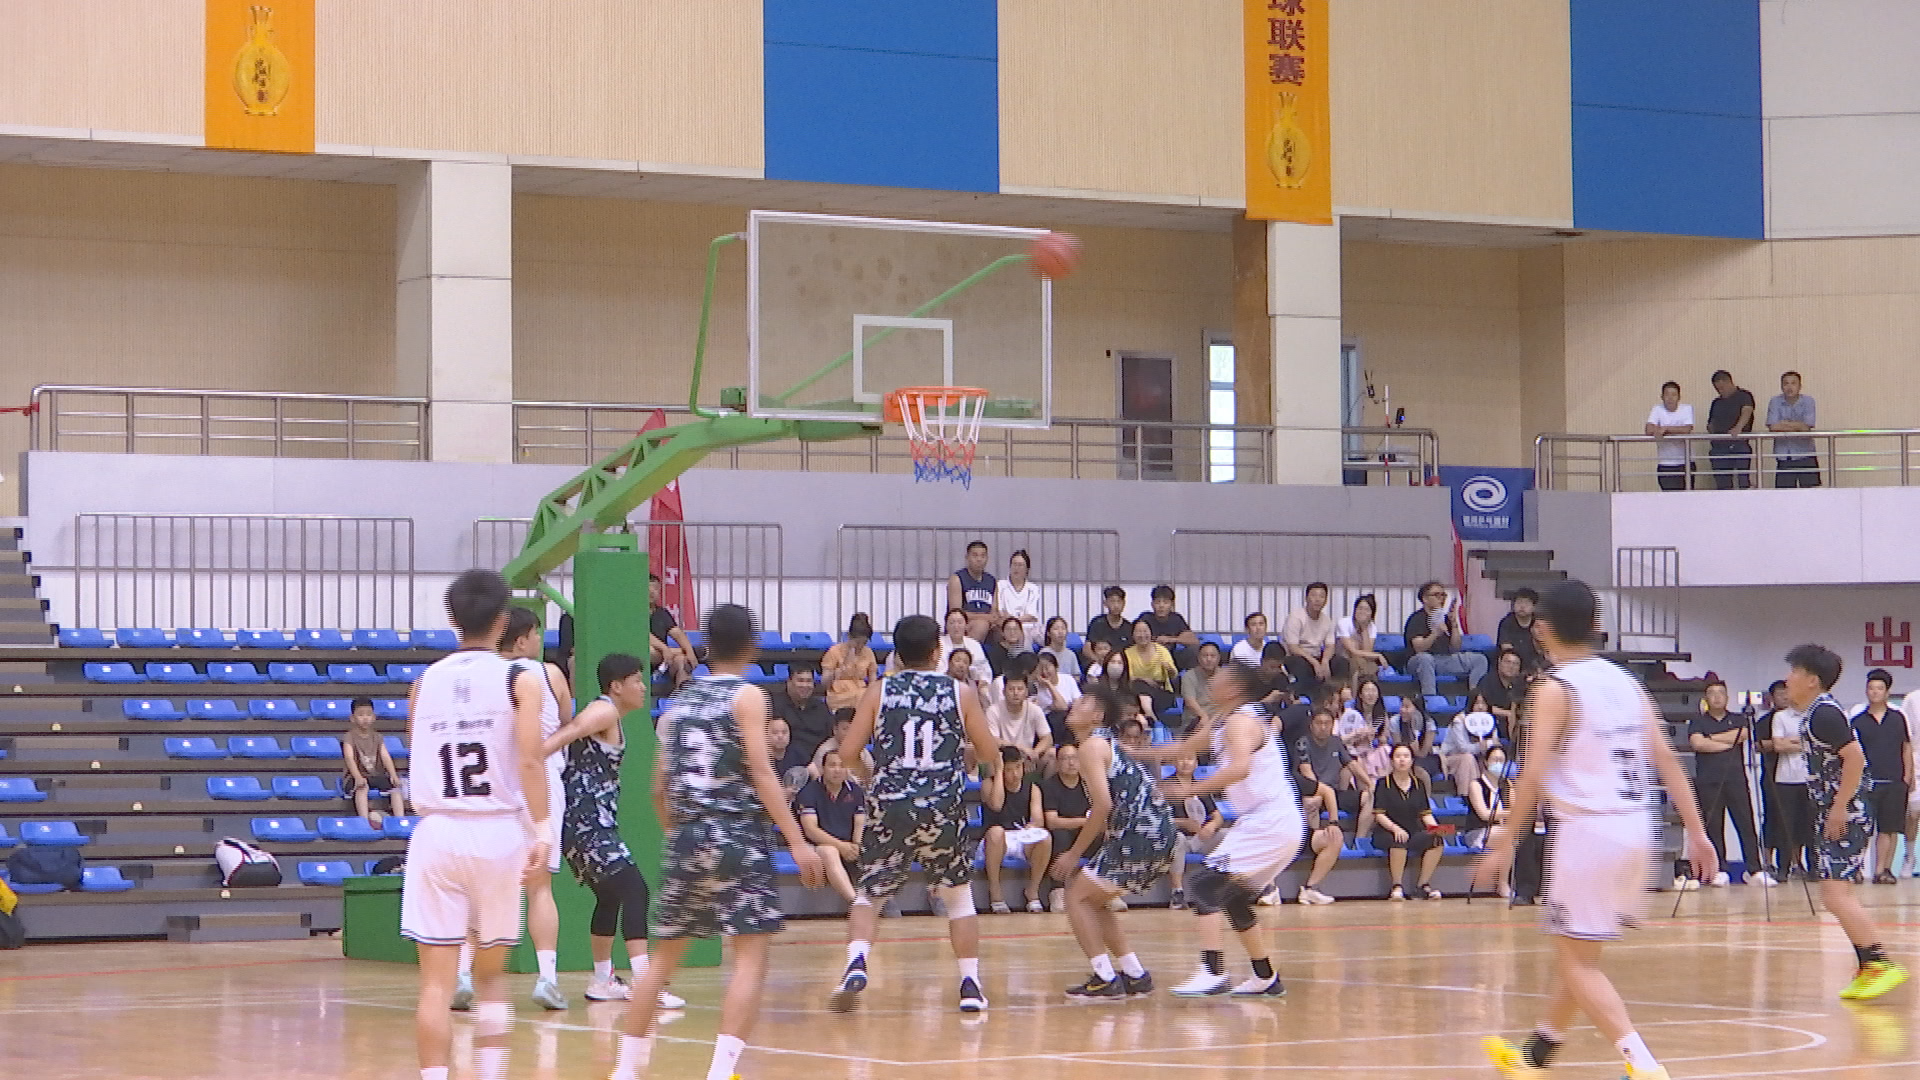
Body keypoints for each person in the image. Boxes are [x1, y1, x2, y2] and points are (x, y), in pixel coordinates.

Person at [1477, 579, 1716, 1080]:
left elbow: (1531, 776)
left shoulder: (1554, 688)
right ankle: (1536, 1054)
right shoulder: (1626, 681)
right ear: (1595, 625)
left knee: (1577, 961)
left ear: (1541, 629)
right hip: (1640, 828)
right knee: (1580, 951)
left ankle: (1643, 1065)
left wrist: (1505, 844)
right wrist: (1697, 833)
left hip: (1590, 832)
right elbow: (1668, 761)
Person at [612, 604, 824, 1080]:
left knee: (662, 960)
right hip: (738, 834)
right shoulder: (748, 696)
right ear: (751, 646)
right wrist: (796, 842)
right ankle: (721, 1072)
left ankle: (624, 1070)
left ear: (706, 646)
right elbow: (762, 773)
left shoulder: (681, 702)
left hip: (687, 833)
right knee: (749, 956)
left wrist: (678, 835)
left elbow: (658, 786)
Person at [401, 570, 550, 1080]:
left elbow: (416, 748)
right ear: (504, 620)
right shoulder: (520, 679)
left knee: (435, 986)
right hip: (497, 831)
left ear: (452, 619)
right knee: (491, 981)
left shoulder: (422, 684)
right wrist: (543, 829)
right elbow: (530, 760)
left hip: (437, 830)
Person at [829, 613, 1002, 1015]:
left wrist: (873, 778)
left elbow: (848, 752)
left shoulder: (879, 690)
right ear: (938, 651)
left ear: (897, 655)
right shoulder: (960, 692)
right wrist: (968, 758)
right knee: (958, 898)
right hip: (942, 805)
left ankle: (857, 961)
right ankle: (970, 984)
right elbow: (990, 752)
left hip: (890, 802)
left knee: (870, 893)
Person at [1144, 661, 1303, 997]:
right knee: (1232, 897)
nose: (1212, 679)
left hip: (1271, 820)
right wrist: (1135, 752)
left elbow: (1240, 769)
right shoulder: (1222, 721)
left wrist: (1190, 790)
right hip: (1267, 821)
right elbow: (1184, 748)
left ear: (1233, 689)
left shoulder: (1240, 722)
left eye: (1219, 677)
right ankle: (1265, 977)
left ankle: (1213, 971)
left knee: (1205, 884)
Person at [541, 652, 683, 1009]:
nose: (643, 687)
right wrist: (535, 754)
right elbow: (573, 729)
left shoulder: (610, 714)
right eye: (637, 680)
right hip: (588, 824)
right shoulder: (604, 710)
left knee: (610, 896)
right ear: (617, 686)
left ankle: (602, 980)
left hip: (584, 824)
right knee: (635, 889)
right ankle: (645, 983)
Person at [1777, 643, 1909, 1000]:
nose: (1787, 679)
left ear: (1812, 679)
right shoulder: (1816, 713)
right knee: (1837, 893)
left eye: (1794, 672)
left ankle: (1878, 963)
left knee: (1835, 894)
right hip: (1836, 808)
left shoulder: (1824, 714)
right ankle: (1868, 965)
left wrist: (1839, 807)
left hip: (1846, 810)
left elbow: (1856, 759)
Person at [1051, 689, 1176, 999]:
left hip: (1140, 831)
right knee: (1094, 899)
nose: (1073, 703)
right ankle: (1135, 974)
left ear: (1096, 716)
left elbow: (1103, 805)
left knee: (1076, 896)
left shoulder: (1091, 747)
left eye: (1083, 702)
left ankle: (1105, 977)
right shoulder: (1106, 743)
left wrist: (1074, 854)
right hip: (1156, 830)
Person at [492, 608, 575, 1011]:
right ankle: (547, 978)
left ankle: (464, 975)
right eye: (537, 634)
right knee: (540, 887)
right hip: (541, 781)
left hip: (495, 785)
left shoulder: (485, 677)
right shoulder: (549, 674)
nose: (541, 641)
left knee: (486, 884)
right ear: (522, 639)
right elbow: (566, 720)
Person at [1689, 678, 1770, 887]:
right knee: (1714, 826)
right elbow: (1698, 744)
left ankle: (1754, 869)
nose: (1717, 697)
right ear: (1706, 698)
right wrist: (1727, 742)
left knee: (1746, 824)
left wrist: (1711, 739)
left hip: (1736, 779)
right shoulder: (1698, 721)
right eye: (1712, 693)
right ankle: (1719, 869)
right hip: (1708, 781)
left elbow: (1743, 735)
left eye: (1721, 693)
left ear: (1727, 697)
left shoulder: (1739, 718)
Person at [1851, 668, 1913, 884]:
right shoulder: (1857, 721)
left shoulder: (1898, 718)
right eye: (1871, 688)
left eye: (1879, 688)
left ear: (1887, 692)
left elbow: (1906, 747)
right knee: (1861, 828)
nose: (1875, 692)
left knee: (1889, 828)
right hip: (1866, 783)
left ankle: (1882, 870)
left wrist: (1907, 777)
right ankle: (1856, 868)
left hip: (1894, 781)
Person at [981, 744, 1052, 914]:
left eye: (1018, 767)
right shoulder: (988, 784)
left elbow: (1038, 819)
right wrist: (998, 771)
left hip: (1021, 836)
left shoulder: (1032, 788)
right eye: (1009, 769)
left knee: (1045, 837)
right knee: (996, 832)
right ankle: (995, 891)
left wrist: (1033, 825)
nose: (1015, 774)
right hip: (995, 839)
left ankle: (1032, 891)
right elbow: (996, 805)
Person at [1374, 744, 1444, 900]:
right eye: (1398, 756)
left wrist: (1438, 828)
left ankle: (1422, 886)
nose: (1402, 760)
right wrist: (1395, 828)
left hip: (1412, 831)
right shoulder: (1383, 784)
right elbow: (1379, 815)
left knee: (1437, 839)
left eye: (1406, 756)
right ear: (1392, 761)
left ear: (1412, 761)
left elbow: (1426, 814)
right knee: (1398, 839)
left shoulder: (1419, 784)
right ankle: (1397, 886)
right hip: (1386, 832)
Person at [1761, 679, 1816, 879]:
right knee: (1785, 825)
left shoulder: (1812, 714)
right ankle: (1783, 868)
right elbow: (1778, 745)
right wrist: (1803, 742)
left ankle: (1813, 868)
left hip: (1810, 778)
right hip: (1784, 779)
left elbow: (1817, 743)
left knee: (1810, 825)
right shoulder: (1780, 717)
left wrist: (1791, 741)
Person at [796, 748, 865, 906]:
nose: (837, 770)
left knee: (875, 848)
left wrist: (856, 845)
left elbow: (859, 822)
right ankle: (856, 903)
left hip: (849, 843)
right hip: (817, 845)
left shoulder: (856, 791)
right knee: (830, 851)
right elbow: (811, 830)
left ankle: (882, 897)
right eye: (832, 765)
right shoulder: (808, 792)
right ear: (823, 768)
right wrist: (841, 846)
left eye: (842, 765)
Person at [1295, 704, 1373, 832]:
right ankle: (1315, 839)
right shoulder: (1303, 743)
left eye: (1327, 723)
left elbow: (1352, 764)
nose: (1323, 727)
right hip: (1315, 791)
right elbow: (1306, 771)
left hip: (1335, 792)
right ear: (1311, 725)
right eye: (1319, 723)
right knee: (1311, 803)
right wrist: (1319, 792)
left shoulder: (1336, 741)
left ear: (1333, 725)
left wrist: (1370, 784)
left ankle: (1360, 839)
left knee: (1369, 798)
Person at [1404, 580, 1487, 699]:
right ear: (1425, 599)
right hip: (1419, 662)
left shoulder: (1445, 618)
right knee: (1425, 658)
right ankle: (1430, 699)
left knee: (1479, 659)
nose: (1441, 599)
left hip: (1444, 659)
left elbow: (1455, 647)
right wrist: (1435, 633)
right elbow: (1419, 648)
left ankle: (1475, 698)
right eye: (1436, 595)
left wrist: (1454, 625)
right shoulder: (1416, 619)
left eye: (1443, 595)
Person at [1164, 752, 1225, 909]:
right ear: (1174, 763)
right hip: (1176, 838)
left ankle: (1224, 888)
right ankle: (1177, 893)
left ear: (1196, 763)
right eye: (1181, 758)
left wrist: (1211, 826)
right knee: (1177, 839)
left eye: (1189, 759)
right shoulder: (1165, 787)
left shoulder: (1201, 787)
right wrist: (1183, 823)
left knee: (1227, 835)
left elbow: (1217, 816)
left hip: (1200, 837)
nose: (1185, 762)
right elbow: (1157, 819)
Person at [1042, 742, 1094, 908]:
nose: (1071, 763)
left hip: (1084, 834)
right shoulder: (1049, 786)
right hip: (1063, 835)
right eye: (1065, 758)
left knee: (1103, 836)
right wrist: (1085, 822)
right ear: (1057, 763)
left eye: (1075, 758)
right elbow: (1052, 821)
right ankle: (1057, 890)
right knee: (1060, 836)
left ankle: (1105, 888)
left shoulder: (1089, 784)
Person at [342, 696, 406, 825]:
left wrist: (393, 775)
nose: (365, 718)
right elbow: (349, 758)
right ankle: (364, 821)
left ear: (374, 717)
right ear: (352, 718)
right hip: (354, 776)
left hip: (375, 775)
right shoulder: (349, 737)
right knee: (362, 787)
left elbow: (385, 756)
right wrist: (358, 777)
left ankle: (400, 820)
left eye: (368, 714)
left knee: (395, 788)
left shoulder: (377, 737)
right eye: (361, 715)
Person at [985, 654, 1053, 768]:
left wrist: (1035, 753)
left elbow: (1047, 738)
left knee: (1052, 753)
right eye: (1011, 689)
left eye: (1020, 689)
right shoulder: (993, 711)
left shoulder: (1034, 710)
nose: (1016, 693)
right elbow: (994, 740)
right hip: (1003, 756)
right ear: (1004, 692)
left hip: (1028, 758)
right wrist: (1021, 749)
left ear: (1026, 692)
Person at [1282, 582, 1343, 696]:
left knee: (1340, 662)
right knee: (1301, 665)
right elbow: (1293, 647)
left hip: (1317, 656)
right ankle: (1309, 698)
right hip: (1297, 656)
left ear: (1326, 600)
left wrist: (1325, 661)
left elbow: (1330, 646)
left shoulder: (1327, 620)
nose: (1317, 599)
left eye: (1322, 596)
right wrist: (1314, 662)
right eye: (1314, 595)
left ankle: (1338, 695)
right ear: (1306, 598)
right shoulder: (1295, 617)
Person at [770, 663, 836, 766]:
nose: (805, 685)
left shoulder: (821, 707)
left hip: (819, 763)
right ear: (789, 682)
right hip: (787, 764)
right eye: (800, 680)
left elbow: (831, 736)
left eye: (809, 681)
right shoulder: (774, 705)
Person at [1766, 370, 1819, 488]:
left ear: (1800, 386)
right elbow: (1773, 426)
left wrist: (1785, 424)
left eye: (1793, 383)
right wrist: (1797, 426)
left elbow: (1806, 426)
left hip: (1806, 453)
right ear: (1781, 386)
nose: (1790, 387)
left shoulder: (1808, 401)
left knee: (1811, 492)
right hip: (1784, 455)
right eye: (1786, 383)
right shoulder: (1775, 401)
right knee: (1785, 493)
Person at [1441, 692, 1501, 797]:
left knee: (1492, 759)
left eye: (1484, 703)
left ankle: (1493, 795)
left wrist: (1489, 746)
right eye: (1477, 703)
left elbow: (1494, 745)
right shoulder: (1459, 720)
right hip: (1453, 758)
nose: (1480, 707)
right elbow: (1464, 748)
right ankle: (1468, 796)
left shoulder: (1490, 721)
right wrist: (1484, 745)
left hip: (1478, 758)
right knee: (1468, 759)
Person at [1706, 369, 1756, 490]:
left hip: (1739, 444)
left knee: (1743, 480)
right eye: (1717, 389)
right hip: (1719, 446)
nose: (1720, 391)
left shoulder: (1744, 396)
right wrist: (1711, 430)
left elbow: (1747, 411)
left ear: (1729, 382)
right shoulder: (1716, 402)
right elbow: (1711, 422)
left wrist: (1738, 427)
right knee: (1722, 483)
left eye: (1722, 388)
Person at [647, 574, 698, 692]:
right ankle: (697, 652)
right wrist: (664, 648)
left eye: (655, 589)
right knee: (650, 650)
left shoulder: (662, 613)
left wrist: (689, 651)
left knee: (681, 659)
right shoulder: (634, 612)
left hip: (665, 659)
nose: (652, 592)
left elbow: (677, 633)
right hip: (646, 657)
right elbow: (644, 635)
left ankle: (683, 692)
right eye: (648, 588)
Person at [821, 613, 878, 713]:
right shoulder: (834, 651)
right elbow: (824, 683)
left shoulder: (868, 652)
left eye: (864, 643)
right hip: (839, 695)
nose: (860, 646)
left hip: (861, 692)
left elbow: (872, 680)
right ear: (849, 637)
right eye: (857, 643)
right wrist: (841, 667)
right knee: (861, 697)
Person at [1124, 616, 1179, 719]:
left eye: (1145, 631)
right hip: (1136, 694)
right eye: (1138, 632)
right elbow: (1127, 678)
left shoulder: (1162, 650)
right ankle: (1149, 714)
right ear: (1132, 635)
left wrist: (1169, 669)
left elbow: (1173, 675)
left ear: (1151, 633)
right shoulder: (1127, 653)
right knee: (1139, 685)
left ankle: (1149, 715)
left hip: (1160, 692)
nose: (1142, 635)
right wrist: (1145, 680)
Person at [1644, 380, 1695, 491]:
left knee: (1687, 497)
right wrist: (1665, 430)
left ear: (1679, 397)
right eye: (1667, 395)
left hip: (1686, 462)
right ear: (1662, 397)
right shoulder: (1657, 409)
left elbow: (1687, 429)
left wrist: (1666, 429)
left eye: (1674, 395)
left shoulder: (1686, 408)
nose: (1670, 398)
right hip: (1665, 463)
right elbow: (1648, 429)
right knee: (1667, 496)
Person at [947, 539, 998, 640]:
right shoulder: (957, 578)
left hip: (988, 623)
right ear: (967, 558)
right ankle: (967, 650)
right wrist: (985, 618)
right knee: (981, 625)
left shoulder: (992, 580)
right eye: (975, 555)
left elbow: (994, 611)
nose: (979, 559)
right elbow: (955, 613)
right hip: (964, 624)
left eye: (983, 556)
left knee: (1008, 628)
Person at [1140, 584, 1200, 669]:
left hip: (1172, 658)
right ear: (1152, 604)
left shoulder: (1176, 618)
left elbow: (1193, 640)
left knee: (1194, 649)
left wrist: (1170, 639)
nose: (1161, 606)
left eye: (1165, 602)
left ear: (1171, 604)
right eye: (1158, 602)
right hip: (1149, 657)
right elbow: (1134, 636)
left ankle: (1191, 676)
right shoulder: (1145, 618)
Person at [931, 608, 992, 687]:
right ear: (946, 626)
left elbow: (984, 671)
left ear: (966, 625)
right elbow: (937, 669)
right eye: (952, 623)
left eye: (960, 622)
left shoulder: (974, 644)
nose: (956, 626)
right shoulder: (938, 644)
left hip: (971, 684)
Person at [1467, 744, 1512, 850]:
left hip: (1503, 830)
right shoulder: (1476, 785)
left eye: (1501, 761)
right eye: (1495, 760)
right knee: (1504, 834)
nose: (1498, 763)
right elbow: (1485, 815)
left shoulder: (1508, 785)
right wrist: (1508, 813)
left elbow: (1515, 809)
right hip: (1478, 831)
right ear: (1486, 762)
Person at [1336, 594, 1388, 682]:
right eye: (1360, 608)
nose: (1362, 612)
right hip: (1343, 657)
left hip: (1363, 659)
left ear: (1372, 614)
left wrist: (1364, 628)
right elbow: (1352, 651)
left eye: (1367, 610)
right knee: (1357, 664)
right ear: (1355, 610)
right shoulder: (1344, 622)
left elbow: (1368, 652)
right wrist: (1378, 655)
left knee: (1371, 666)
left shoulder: (1372, 627)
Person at [1478, 647, 1526, 742]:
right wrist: (1508, 713)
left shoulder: (1521, 685)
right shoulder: (1487, 681)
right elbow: (1482, 706)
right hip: (1490, 721)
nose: (1511, 666)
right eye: (1507, 662)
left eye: (1515, 664)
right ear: (1499, 663)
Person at [996, 549, 1042, 647]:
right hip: (1007, 625)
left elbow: (1031, 615)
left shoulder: (1033, 588)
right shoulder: (1000, 585)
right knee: (1018, 631)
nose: (1016, 568)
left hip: (1028, 625)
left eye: (1020, 565)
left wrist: (1017, 621)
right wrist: (1014, 623)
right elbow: (1000, 611)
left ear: (1027, 569)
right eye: (1014, 564)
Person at [1496, 589, 1546, 674]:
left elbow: (1544, 650)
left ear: (1533, 607)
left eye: (1527, 603)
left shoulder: (1539, 623)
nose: (1522, 606)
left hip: (1536, 664)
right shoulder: (1507, 622)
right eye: (1519, 602)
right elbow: (1506, 649)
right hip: (1514, 664)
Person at [1084, 585, 1133, 668]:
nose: (1116, 605)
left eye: (1119, 601)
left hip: (1121, 666)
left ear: (1124, 603)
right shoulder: (1097, 623)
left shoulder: (1129, 627)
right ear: (1105, 603)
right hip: (1099, 664)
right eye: (1112, 601)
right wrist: (1098, 661)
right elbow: (1086, 649)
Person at [1179, 640, 1221, 734]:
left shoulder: (1225, 676)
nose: (1209, 659)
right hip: (1196, 719)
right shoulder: (1189, 676)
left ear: (1218, 658)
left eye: (1212, 656)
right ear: (1198, 658)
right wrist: (1203, 716)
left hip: (1217, 719)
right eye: (1205, 656)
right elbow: (1190, 702)